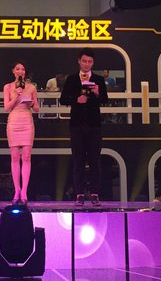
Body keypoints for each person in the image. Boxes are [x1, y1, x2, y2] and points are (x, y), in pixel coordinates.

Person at [59, 49, 108, 206]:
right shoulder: (72, 79)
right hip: (77, 125)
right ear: (79, 61)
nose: (87, 64)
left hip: (94, 125)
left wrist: (98, 92)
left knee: (95, 160)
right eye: (84, 61)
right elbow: (63, 99)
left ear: (93, 63)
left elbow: (105, 100)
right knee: (78, 160)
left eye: (90, 62)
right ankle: (79, 194)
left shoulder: (98, 79)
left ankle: (95, 194)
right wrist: (76, 99)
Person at [3, 61, 39, 205]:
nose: (20, 71)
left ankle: (24, 191)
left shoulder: (31, 87)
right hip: (14, 121)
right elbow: (6, 107)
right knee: (14, 156)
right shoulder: (8, 87)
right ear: (13, 71)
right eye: (18, 69)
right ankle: (16, 190)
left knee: (26, 156)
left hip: (27, 121)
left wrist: (32, 104)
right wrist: (17, 96)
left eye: (23, 69)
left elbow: (37, 108)